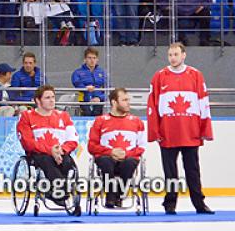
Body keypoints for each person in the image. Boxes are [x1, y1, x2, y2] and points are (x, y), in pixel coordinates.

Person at [146, 42, 213, 215]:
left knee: (193, 170)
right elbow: (152, 106)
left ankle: (199, 203)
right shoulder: (159, 76)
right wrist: (155, 131)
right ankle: (170, 204)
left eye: (176, 54)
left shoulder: (196, 75)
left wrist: (205, 130)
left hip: (190, 132)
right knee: (170, 172)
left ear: (184, 55)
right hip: (167, 133)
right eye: (170, 55)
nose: (173, 58)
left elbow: (203, 104)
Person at [16, 85, 78, 205]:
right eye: (47, 98)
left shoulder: (63, 116)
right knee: (47, 160)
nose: (52, 100)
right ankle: (59, 191)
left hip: (60, 152)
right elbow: (28, 143)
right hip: (38, 154)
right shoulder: (26, 116)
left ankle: (54, 191)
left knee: (67, 162)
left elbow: (73, 139)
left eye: (53, 97)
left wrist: (62, 150)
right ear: (38, 101)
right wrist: (50, 150)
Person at [88, 88, 146, 210]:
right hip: (107, 158)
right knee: (105, 162)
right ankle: (111, 196)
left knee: (129, 163)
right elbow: (92, 146)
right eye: (124, 100)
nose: (128, 103)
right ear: (114, 102)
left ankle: (117, 195)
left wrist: (126, 153)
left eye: (128, 100)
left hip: (128, 157)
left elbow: (141, 147)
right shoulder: (100, 121)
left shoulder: (137, 122)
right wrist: (111, 152)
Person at [72, 47, 107, 118]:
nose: (92, 60)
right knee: (86, 116)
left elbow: (107, 88)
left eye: (94, 58)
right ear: (85, 59)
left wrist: (99, 98)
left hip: (99, 101)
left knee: (98, 118)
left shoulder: (102, 72)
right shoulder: (77, 72)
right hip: (84, 100)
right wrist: (85, 88)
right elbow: (77, 84)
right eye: (89, 58)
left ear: (97, 59)